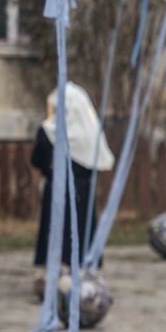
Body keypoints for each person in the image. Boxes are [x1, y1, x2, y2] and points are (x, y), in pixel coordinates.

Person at [31, 82, 113, 268]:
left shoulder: (48, 132)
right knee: (79, 229)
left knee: (58, 230)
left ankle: (57, 268)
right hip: (81, 190)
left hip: (58, 189)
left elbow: (37, 161)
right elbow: (96, 164)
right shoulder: (90, 134)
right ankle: (82, 267)